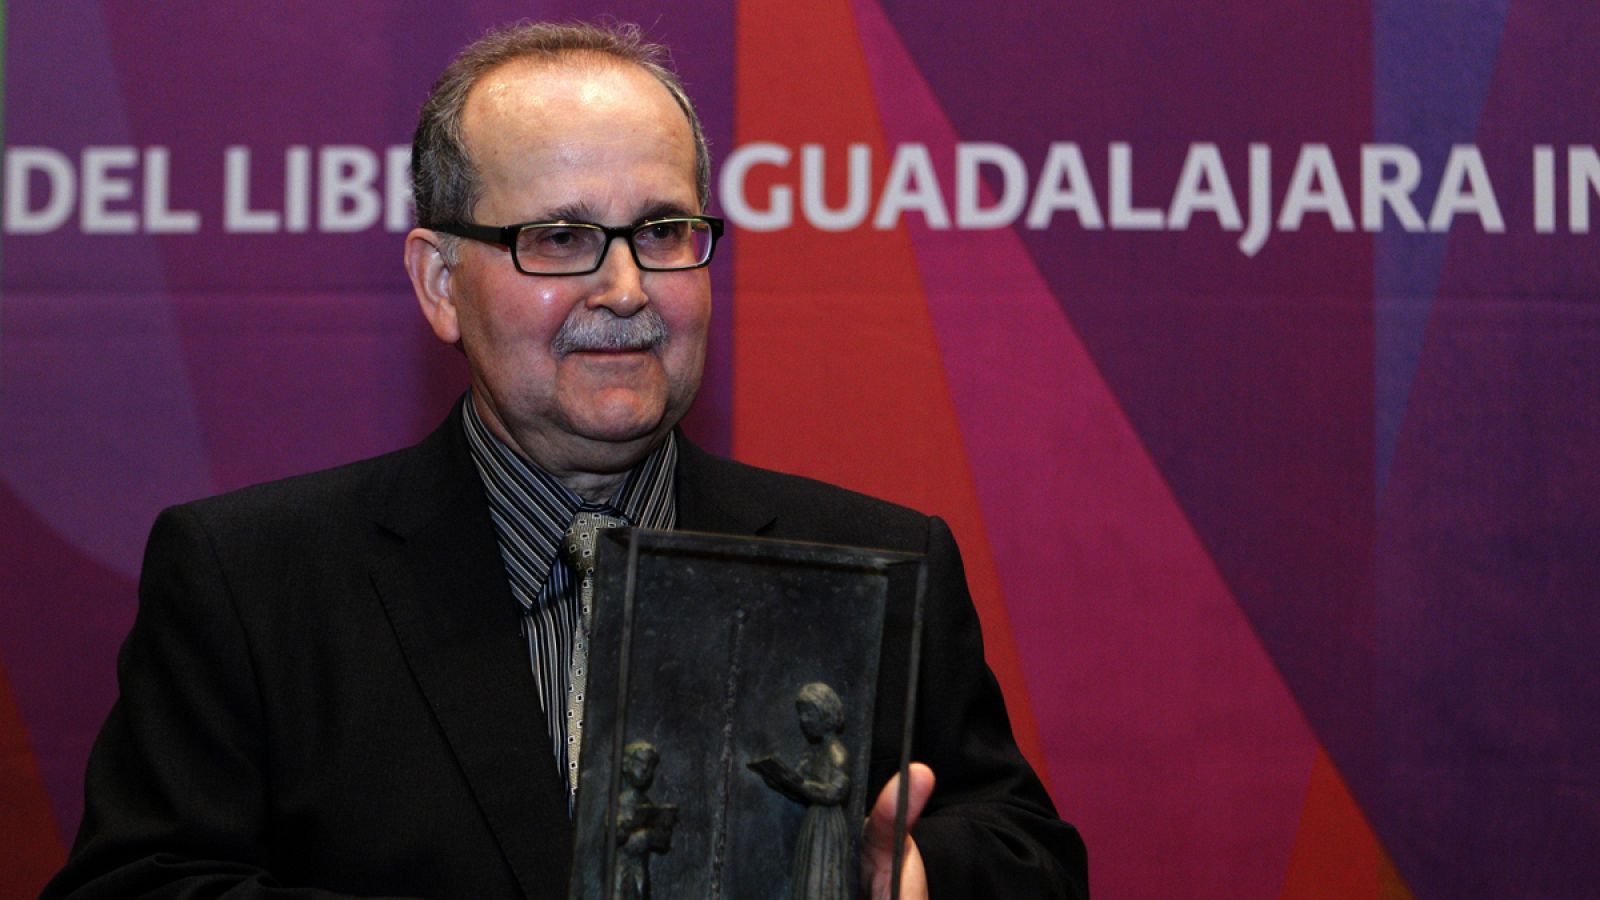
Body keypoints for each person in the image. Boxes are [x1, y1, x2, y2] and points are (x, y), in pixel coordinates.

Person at [45, 20, 1088, 899]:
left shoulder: (873, 556)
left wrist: (904, 875)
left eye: (665, 230)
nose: (628, 290)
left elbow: (1026, 851)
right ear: (441, 282)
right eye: (558, 238)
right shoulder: (250, 578)